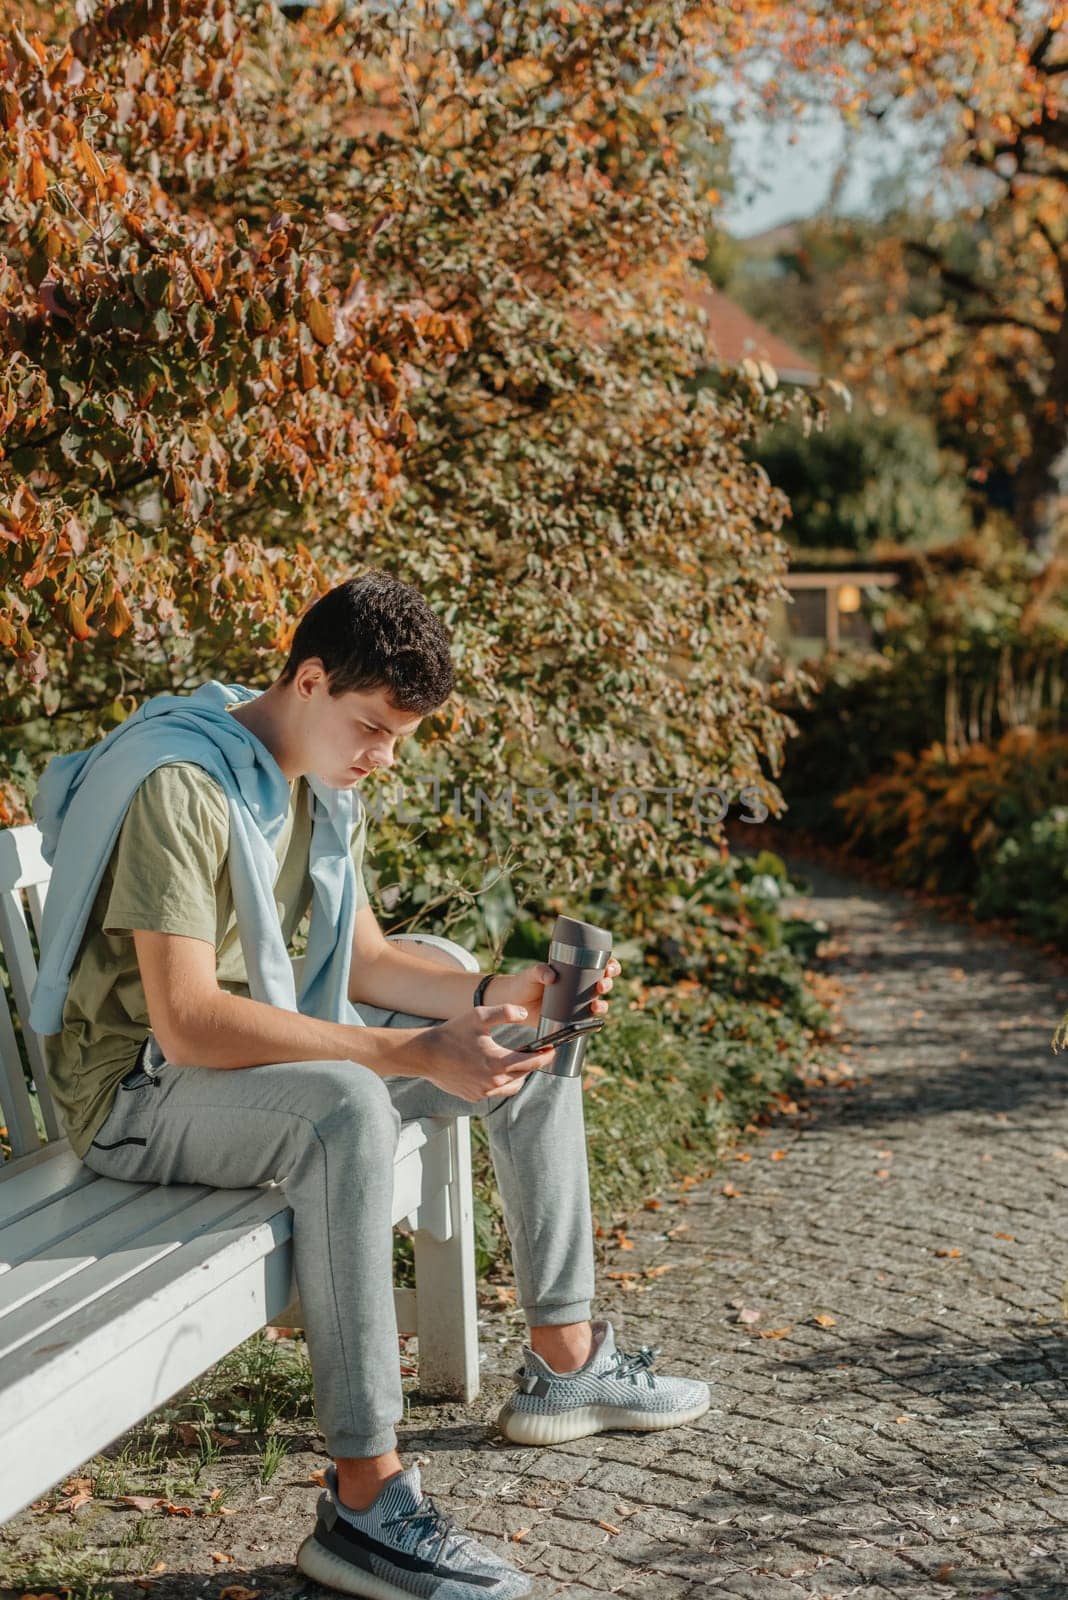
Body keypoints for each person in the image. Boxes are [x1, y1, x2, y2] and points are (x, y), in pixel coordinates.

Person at [32, 570, 710, 1600]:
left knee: (501, 1028)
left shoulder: (307, 772)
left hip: (220, 1076)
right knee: (346, 1105)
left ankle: (566, 1360)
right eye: (371, 728)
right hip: (136, 1096)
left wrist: (500, 990)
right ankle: (365, 1501)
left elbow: (369, 959)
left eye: (397, 737)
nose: (381, 756)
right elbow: (187, 1018)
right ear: (307, 679)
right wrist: (406, 1054)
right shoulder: (185, 783)